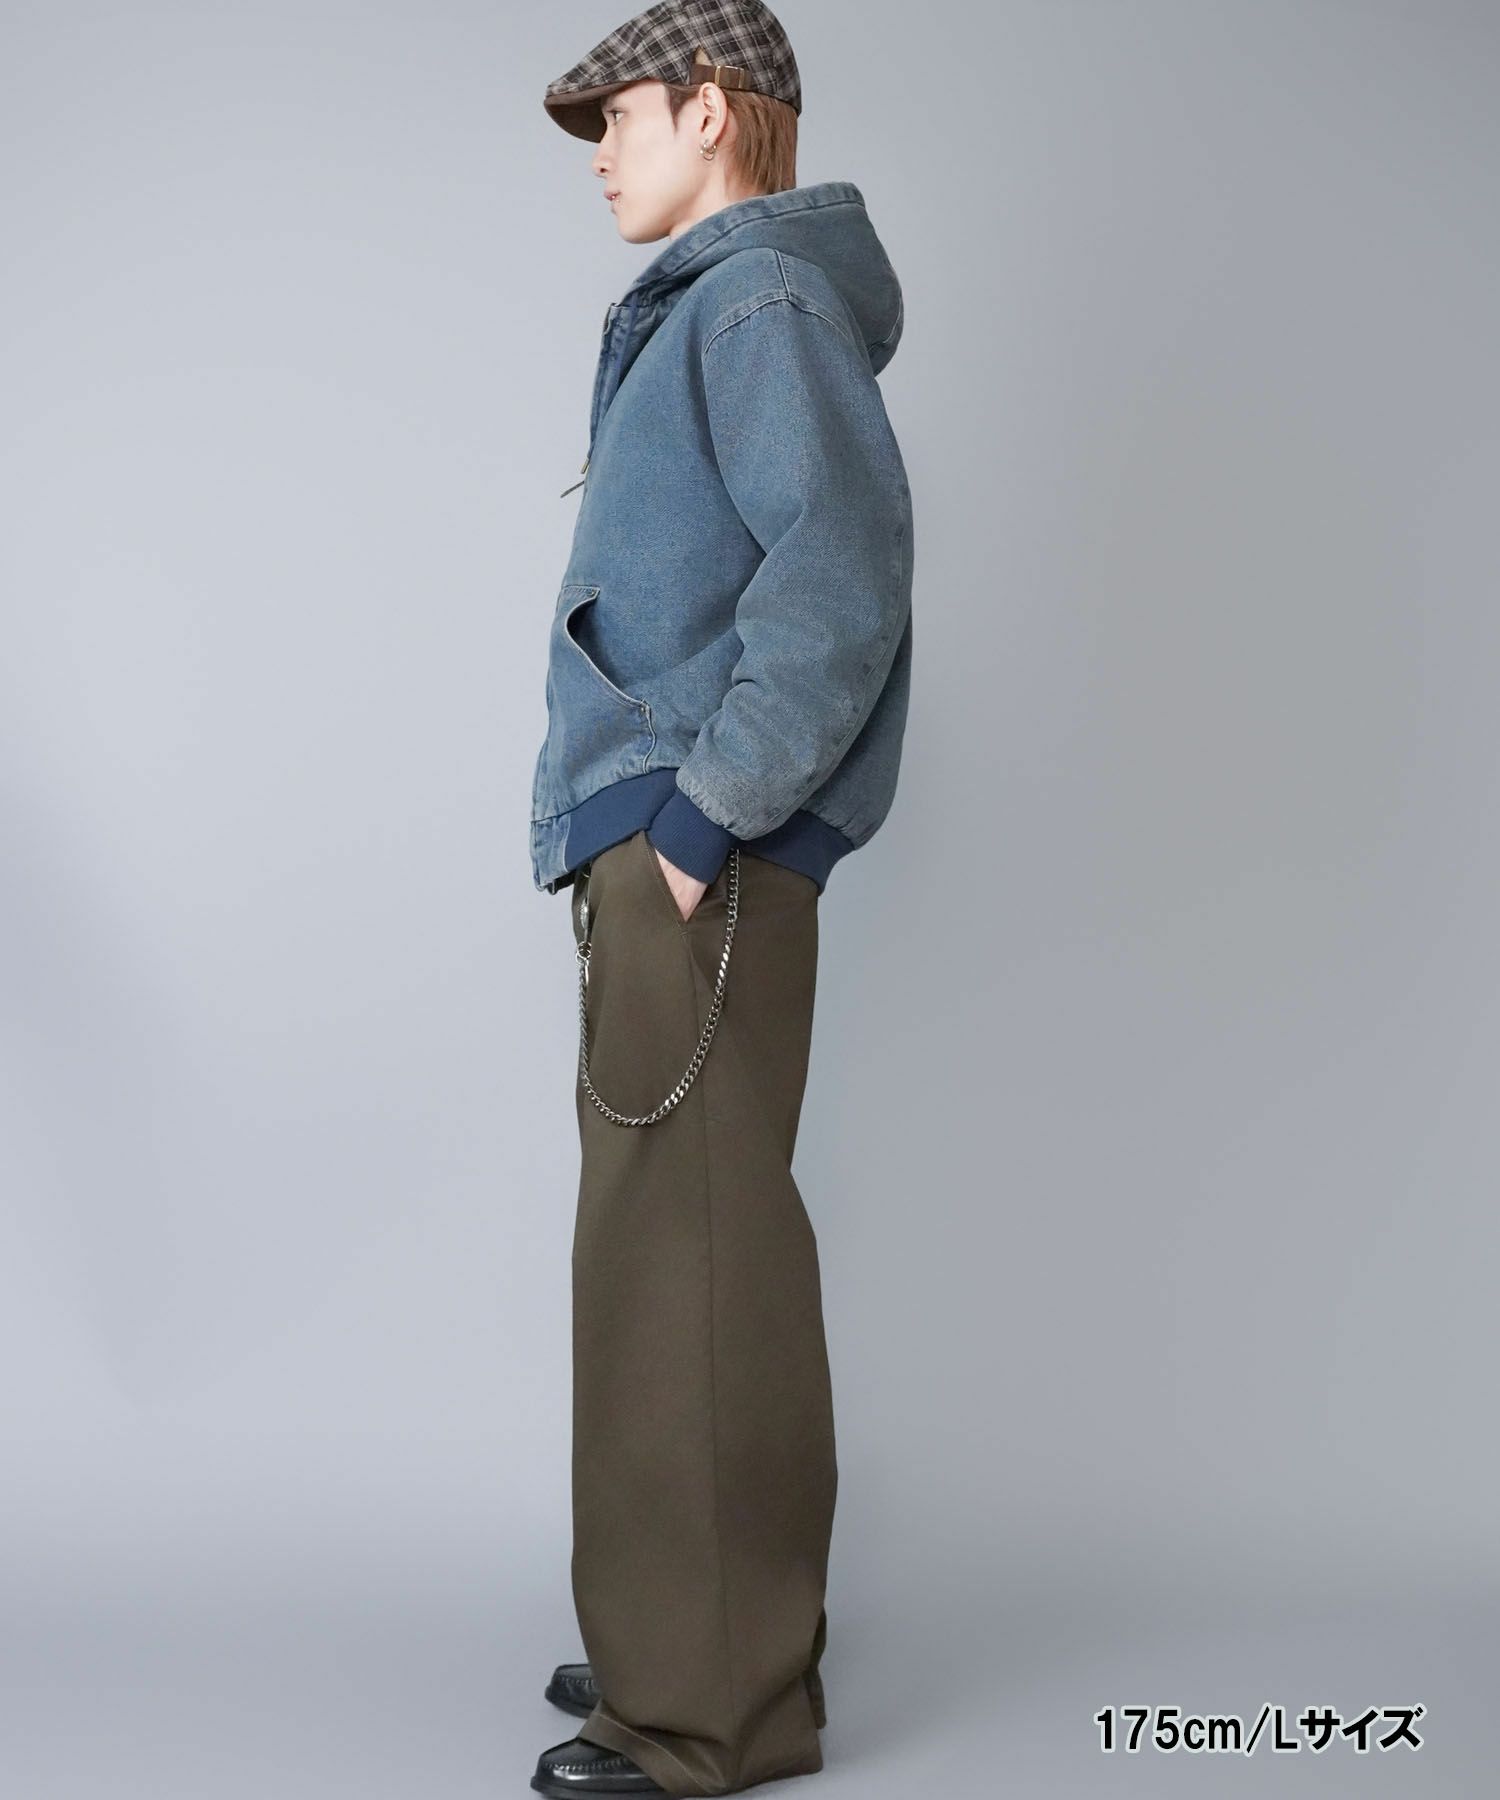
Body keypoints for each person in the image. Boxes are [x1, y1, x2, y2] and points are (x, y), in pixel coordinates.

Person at [526, 3, 914, 1793]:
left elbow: (840, 580)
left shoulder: (753, 304)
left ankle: (708, 1709)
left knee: (689, 1262)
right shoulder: (720, 305)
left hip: (703, 849)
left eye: (616, 118)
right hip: (677, 842)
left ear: (708, 111)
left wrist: (699, 823)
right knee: (667, 1250)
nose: (600, 155)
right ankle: (682, 1629)